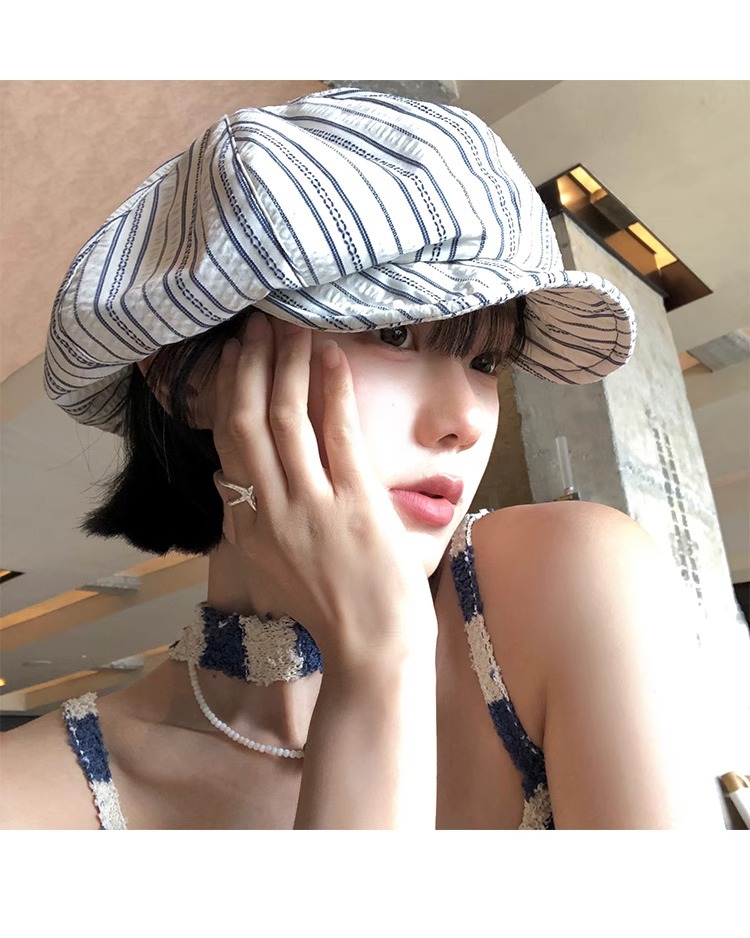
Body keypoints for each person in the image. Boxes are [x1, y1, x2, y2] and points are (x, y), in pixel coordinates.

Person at [0, 87, 723, 829]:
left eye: (486, 362)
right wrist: (379, 663)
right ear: (188, 380)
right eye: (395, 334)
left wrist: (383, 654)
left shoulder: (567, 579)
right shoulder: (31, 802)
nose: (464, 422)